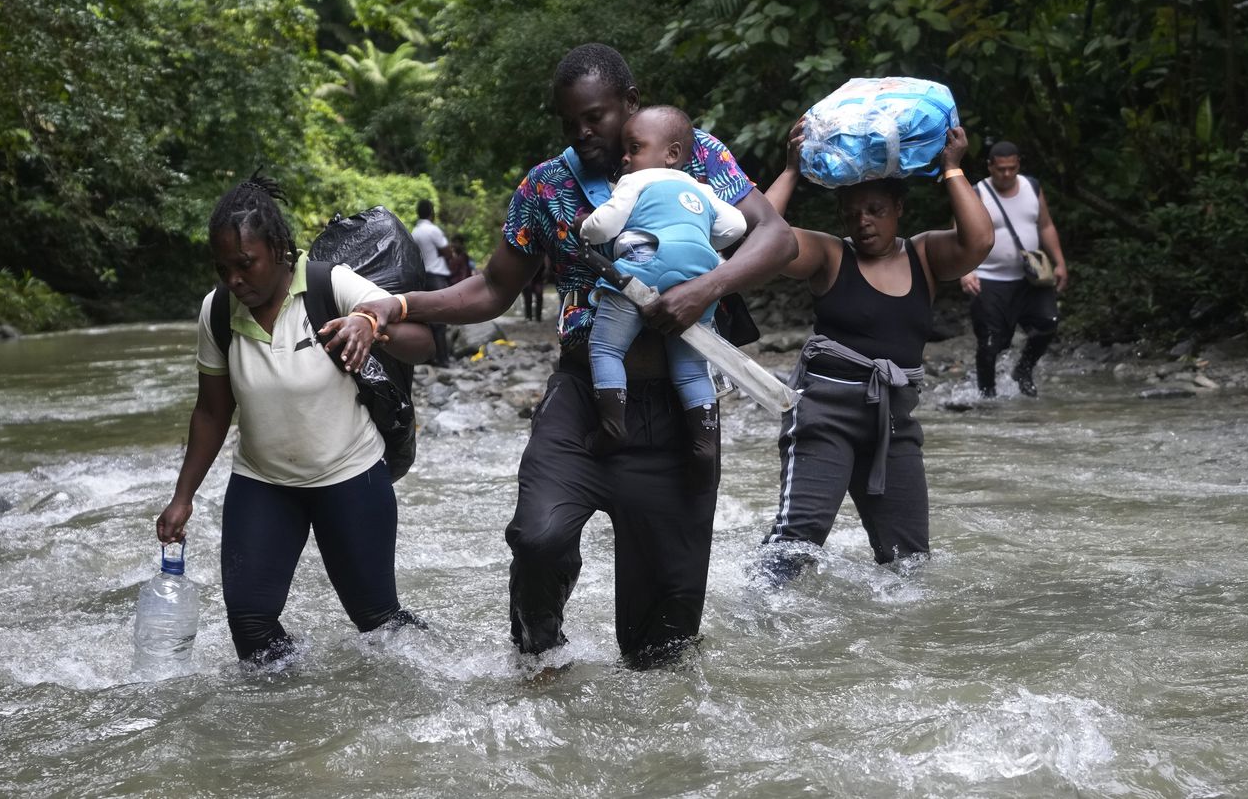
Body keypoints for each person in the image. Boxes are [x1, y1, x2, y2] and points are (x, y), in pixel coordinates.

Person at [353, 43, 796, 667]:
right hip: (584, 393)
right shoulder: (546, 185)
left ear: (631, 103)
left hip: (679, 406)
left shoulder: (693, 155)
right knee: (538, 536)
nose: (583, 133)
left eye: (595, 117)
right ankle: (541, 656)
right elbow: (491, 289)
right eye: (570, 122)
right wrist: (394, 306)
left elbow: (776, 238)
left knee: (661, 648)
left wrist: (705, 290)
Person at [155, 177, 433, 664]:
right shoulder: (218, 311)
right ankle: (290, 722)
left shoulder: (331, 284)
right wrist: (183, 497)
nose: (234, 280)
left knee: (377, 618)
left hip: (349, 475)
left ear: (280, 249)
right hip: (263, 481)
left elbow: (426, 341)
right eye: (223, 269)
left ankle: (446, 671)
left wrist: (372, 327)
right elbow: (212, 410)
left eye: (245, 265)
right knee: (250, 622)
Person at [758, 124, 992, 579]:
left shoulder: (924, 255)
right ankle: (755, 618)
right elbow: (763, 238)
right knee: (795, 545)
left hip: (893, 423)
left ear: (898, 210)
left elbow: (979, 241)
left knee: (910, 562)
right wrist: (791, 168)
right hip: (823, 416)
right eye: (852, 213)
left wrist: (952, 169)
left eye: (875, 210)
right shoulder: (829, 255)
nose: (863, 221)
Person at [578, 105, 747, 474]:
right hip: (699, 278)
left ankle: (612, 426)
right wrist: (702, 235)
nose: (625, 157)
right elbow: (736, 226)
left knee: (606, 347)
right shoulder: (700, 187)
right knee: (689, 367)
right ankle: (704, 442)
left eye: (634, 148)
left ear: (670, 154)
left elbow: (604, 226)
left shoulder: (635, 181)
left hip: (646, 264)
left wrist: (584, 229)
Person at [960, 140, 1068, 397]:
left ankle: (1023, 370)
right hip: (989, 278)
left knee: (1048, 324)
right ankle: (987, 395)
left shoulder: (1032, 187)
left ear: (1018, 164)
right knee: (990, 343)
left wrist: (1060, 262)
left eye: (1011, 168)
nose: (1006, 174)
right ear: (990, 167)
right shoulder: (976, 193)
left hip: (1029, 278)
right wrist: (965, 271)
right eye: (1000, 169)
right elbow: (959, 235)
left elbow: (1045, 226)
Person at [410, 199, 453, 367]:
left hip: (422, 277)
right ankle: (443, 359)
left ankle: (429, 357)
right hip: (436, 276)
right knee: (440, 319)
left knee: (426, 318)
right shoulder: (432, 230)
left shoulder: (415, 231)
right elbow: (447, 251)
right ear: (431, 212)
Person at [520, 255, 548, 322]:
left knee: (538, 297)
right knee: (528, 297)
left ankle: (538, 317)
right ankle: (529, 317)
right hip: (527, 274)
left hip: (538, 275)